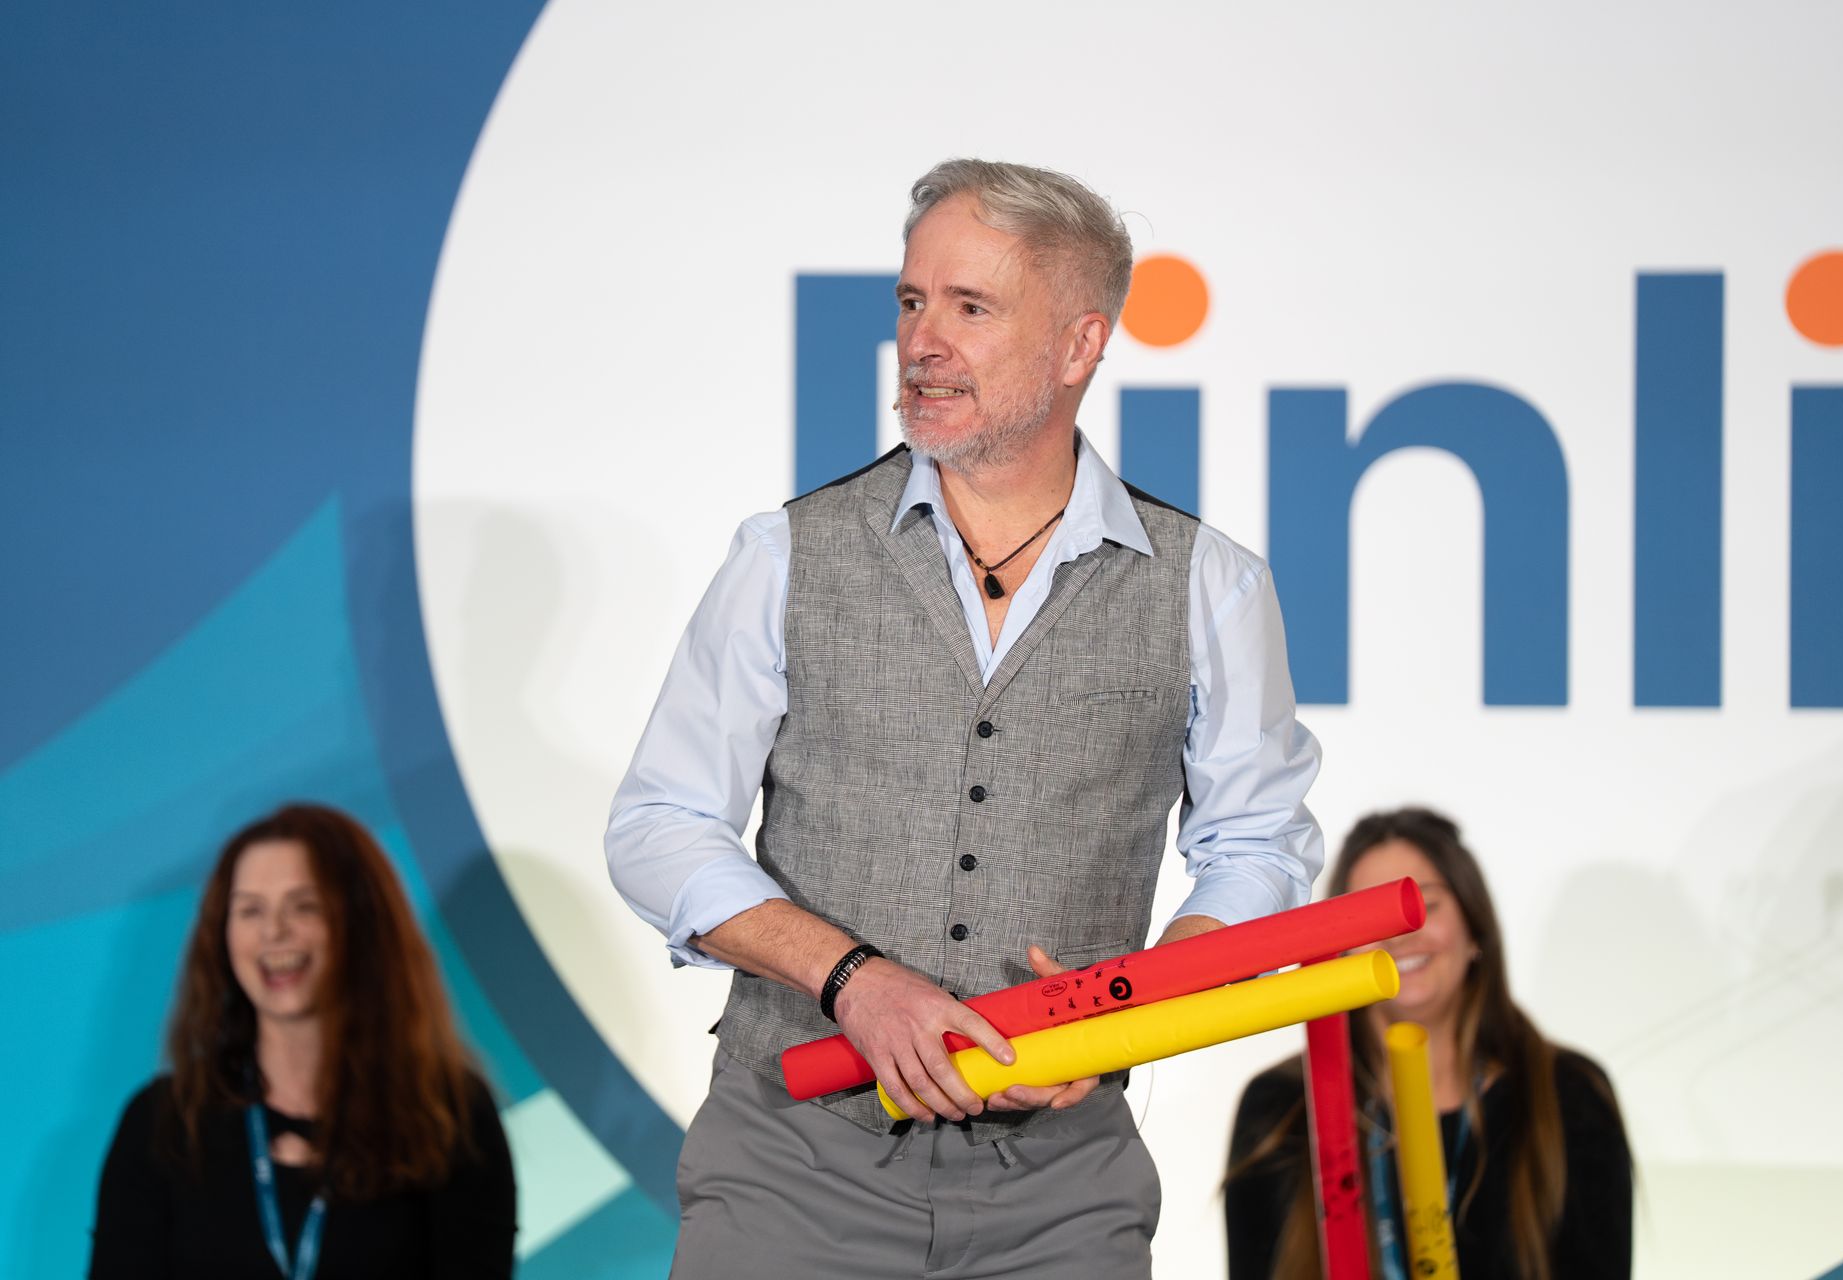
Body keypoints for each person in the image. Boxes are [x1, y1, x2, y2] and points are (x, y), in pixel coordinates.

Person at [604, 158, 1324, 1278]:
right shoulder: (786, 552)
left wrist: (1129, 1009)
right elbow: (660, 824)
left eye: (970, 307)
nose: (922, 341)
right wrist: (854, 979)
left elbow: (1258, 846)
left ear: (1081, 345)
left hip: (1061, 1187)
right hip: (792, 1162)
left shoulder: (1206, 582)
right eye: (911, 301)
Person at [89, 803, 516, 1278]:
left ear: (361, 925)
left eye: (304, 906)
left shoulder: (451, 1115)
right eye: (250, 910)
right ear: (222, 935)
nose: (274, 932)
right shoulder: (163, 1123)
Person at [1225, 807, 1633, 1280]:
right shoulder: (1281, 1108)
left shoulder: (1569, 1094)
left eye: (1426, 904)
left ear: (1474, 926)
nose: (1399, 934)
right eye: (1368, 913)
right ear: (1342, 947)